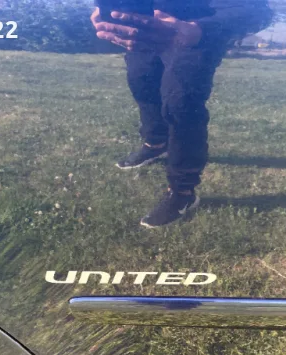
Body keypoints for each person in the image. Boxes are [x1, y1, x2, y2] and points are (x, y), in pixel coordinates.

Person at [92, 1, 272, 228]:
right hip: (148, 29)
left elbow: (257, 9)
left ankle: (182, 190)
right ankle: (156, 144)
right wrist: (106, 8)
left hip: (195, 32)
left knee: (181, 104)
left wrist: (201, 28)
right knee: (141, 82)